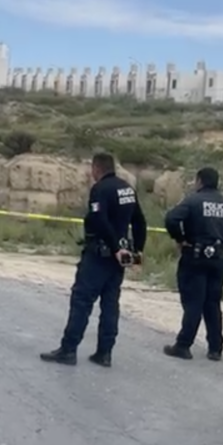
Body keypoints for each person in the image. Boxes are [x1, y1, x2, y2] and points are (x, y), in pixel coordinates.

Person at [41, 152, 147, 367]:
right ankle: (104, 353)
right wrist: (138, 251)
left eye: (92, 169)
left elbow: (99, 219)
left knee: (81, 301)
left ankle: (68, 350)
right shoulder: (127, 189)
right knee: (110, 304)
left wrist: (115, 247)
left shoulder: (100, 189)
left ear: (96, 168)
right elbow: (140, 222)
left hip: (100, 255)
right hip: (119, 259)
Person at [162, 167, 223, 362]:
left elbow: (171, 218)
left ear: (199, 181)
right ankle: (215, 348)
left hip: (195, 256)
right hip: (220, 258)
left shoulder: (193, 200)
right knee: (212, 303)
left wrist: (180, 238)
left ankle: (183, 345)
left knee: (193, 301)